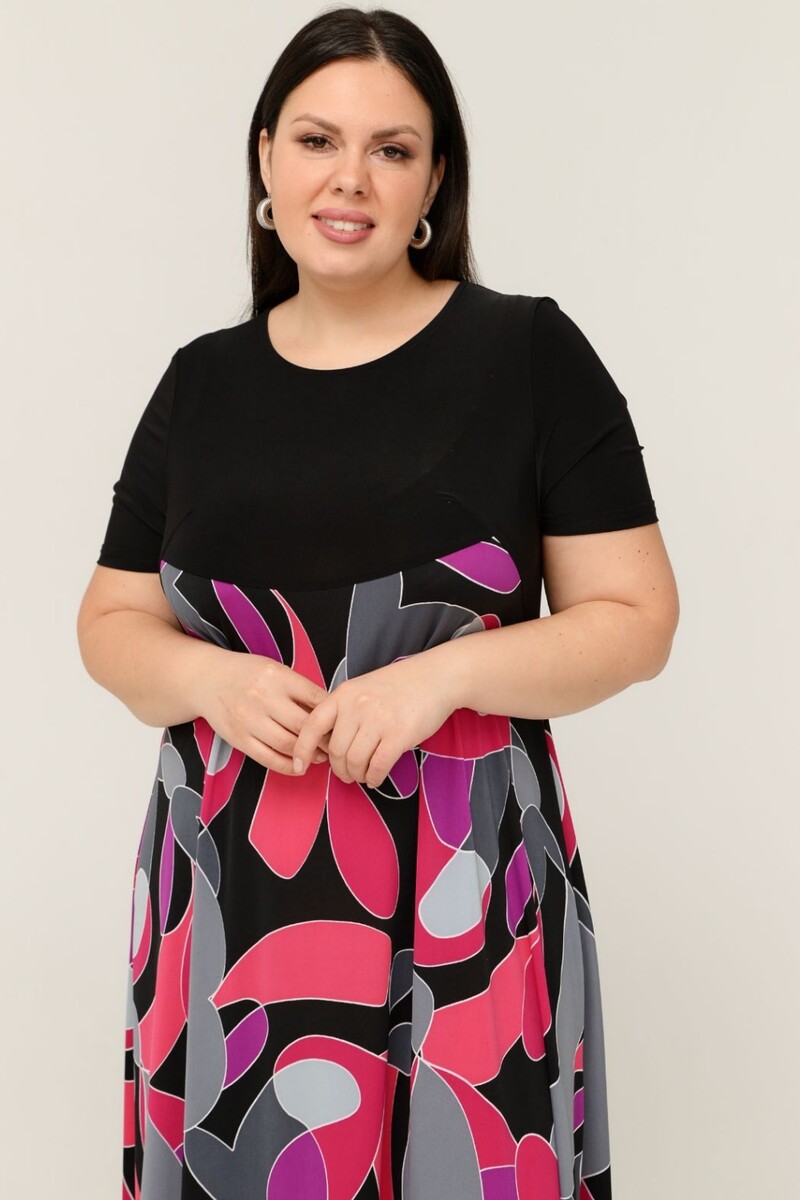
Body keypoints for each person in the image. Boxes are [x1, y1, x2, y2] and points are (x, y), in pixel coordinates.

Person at [77, 7, 679, 1199]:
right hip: (230, 895)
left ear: (433, 181)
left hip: (462, 883)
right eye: (315, 140)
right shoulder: (200, 383)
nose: (348, 178)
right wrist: (210, 679)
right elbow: (109, 623)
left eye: (390, 149)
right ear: (265, 160)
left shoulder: (527, 354)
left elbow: (635, 618)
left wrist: (441, 678)